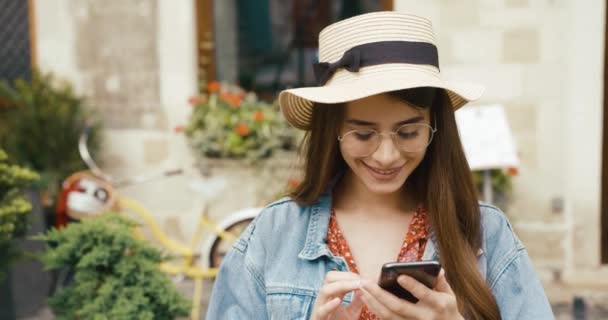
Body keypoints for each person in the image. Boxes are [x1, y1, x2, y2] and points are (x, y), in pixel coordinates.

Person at [206, 11, 554, 320]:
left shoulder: (487, 233)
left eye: (407, 132)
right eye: (363, 133)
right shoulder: (274, 233)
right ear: (333, 131)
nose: (386, 156)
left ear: (435, 129)